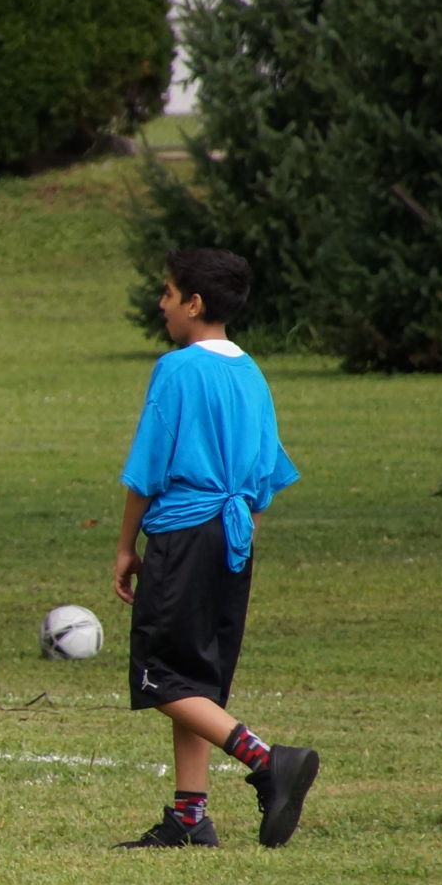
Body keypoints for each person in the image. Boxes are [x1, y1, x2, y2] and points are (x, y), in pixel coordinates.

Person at [113, 249, 317, 849]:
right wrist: (241, 529)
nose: (162, 304)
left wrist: (125, 546)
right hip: (233, 536)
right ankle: (189, 817)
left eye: (168, 293)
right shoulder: (251, 372)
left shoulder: (177, 370)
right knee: (195, 678)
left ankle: (266, 760)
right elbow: (266, 470)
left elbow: (147, 468)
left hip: (182, 535)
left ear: (194, 303)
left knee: (160, 677)